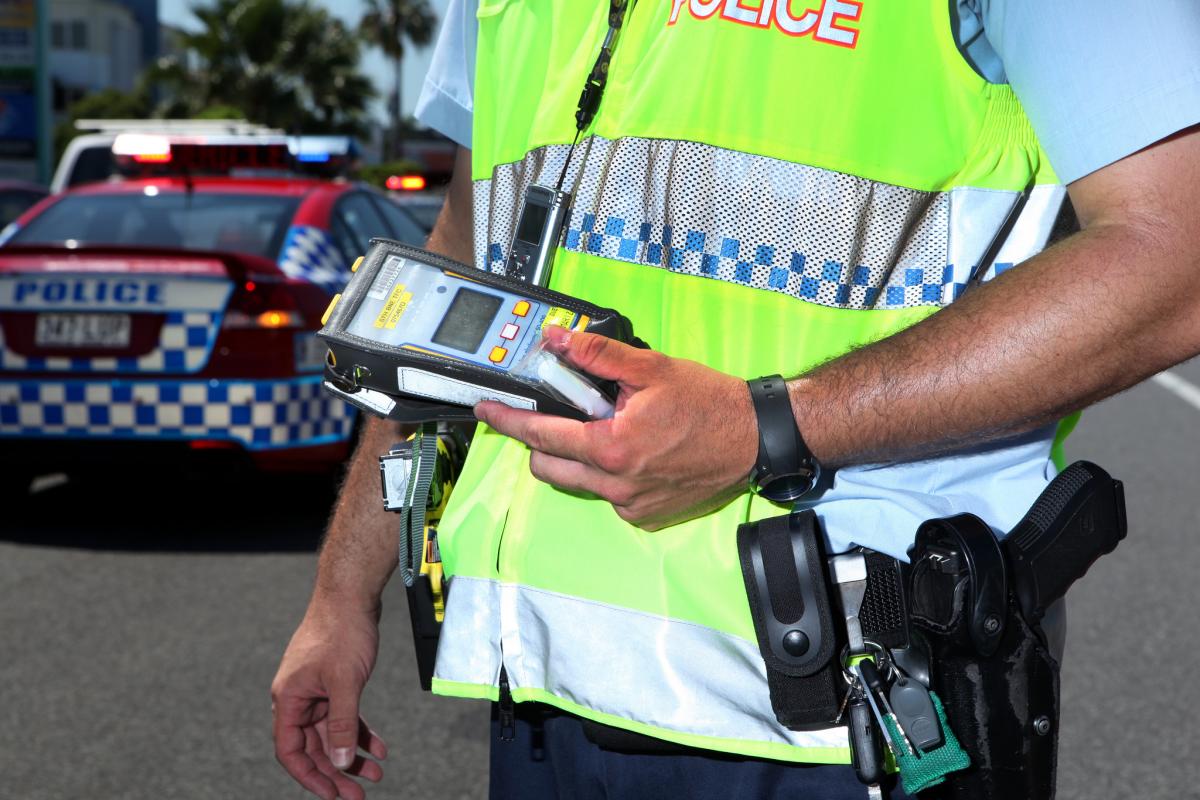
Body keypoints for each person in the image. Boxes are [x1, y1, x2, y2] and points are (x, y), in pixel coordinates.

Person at [272, 1, 1200, 798]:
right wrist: (341, 595)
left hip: (845, 709)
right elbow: (468, 250)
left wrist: (766, 426)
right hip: (539, 693)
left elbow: (1176, 255)